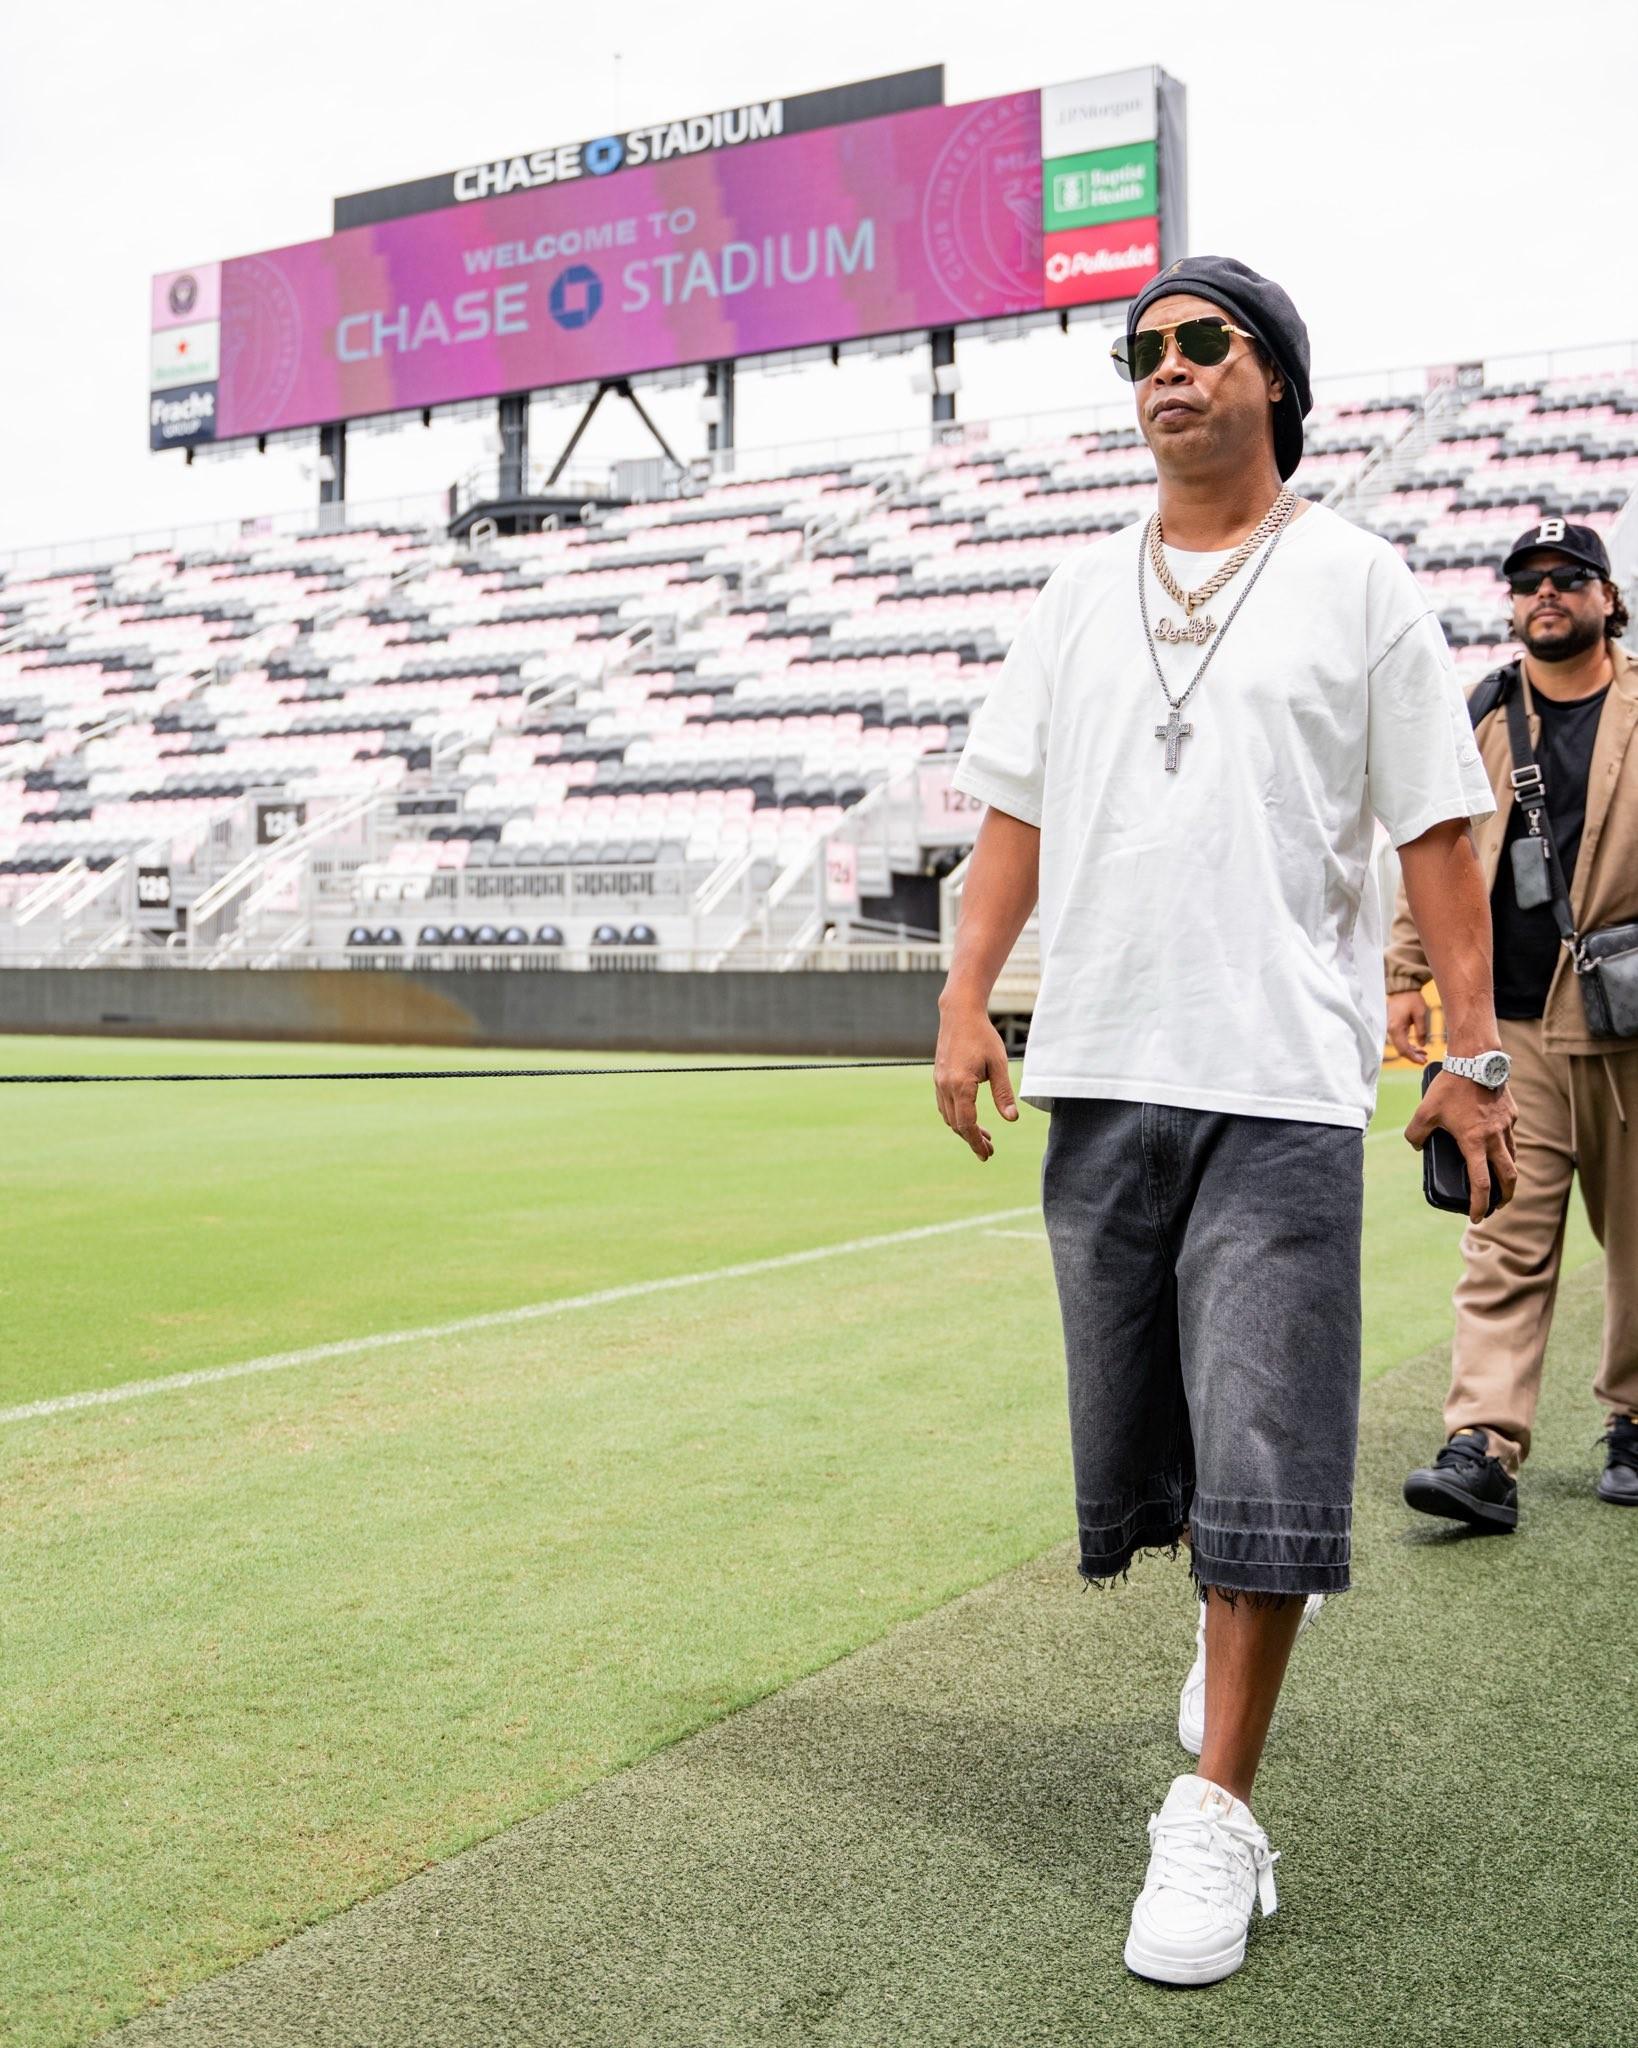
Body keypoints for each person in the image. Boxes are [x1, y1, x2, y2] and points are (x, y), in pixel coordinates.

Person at [934, 255, 1515, 1989]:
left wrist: (1470, 1053)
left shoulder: (1356, 580)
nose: (1165, 371)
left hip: (1275, 1079)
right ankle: (1233, 1606)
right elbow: (1012, 817)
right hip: (1104, 1065)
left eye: (1202, 344)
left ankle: (1214, 1808)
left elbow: (1434, 832)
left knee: (1262, 1433)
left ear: (1274, 379)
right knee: (1161, 1441)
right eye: (1142, 353)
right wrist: (965, 996)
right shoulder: (1071, 591)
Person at [1390, 520, 1638, 1527]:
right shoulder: (1484, 711)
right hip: (1511, 1030)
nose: (1547, 591)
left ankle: (1635, 1420)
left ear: (1608, 598)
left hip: (1629, 1030)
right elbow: (1431, 840)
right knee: (1500, 1235)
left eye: (1569, 577)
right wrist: (1406, 971)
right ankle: (1483, 1445)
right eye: (1528, 578)